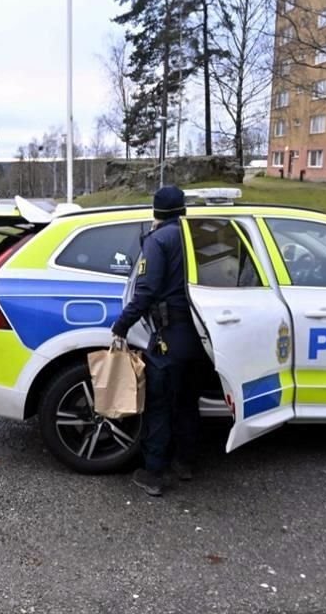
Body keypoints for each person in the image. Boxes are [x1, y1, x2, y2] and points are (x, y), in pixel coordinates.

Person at [111, 186, 204, 497]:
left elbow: (146, 290)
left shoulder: (159, 240)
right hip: (202, 336)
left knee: (159, 404)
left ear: (156, 211)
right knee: (189, 401)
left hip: (169, 335)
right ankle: (186, 463)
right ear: (183, 209)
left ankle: (152, 473)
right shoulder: (195, 236)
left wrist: (121, 325)